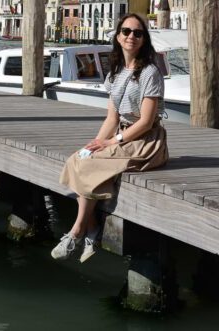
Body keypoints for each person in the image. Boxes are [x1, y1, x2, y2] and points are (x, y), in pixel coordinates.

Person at [51, 14, 168, 262]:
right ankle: (91, 227)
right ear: (118, 36)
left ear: (144, 39)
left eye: (138, 33)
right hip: (121, 135)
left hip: (145, 141)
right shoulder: (115, 73)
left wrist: (112, 142)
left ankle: (77, 230)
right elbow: (112, 119)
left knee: (91, 164)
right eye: (126, 31)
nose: (131, 37)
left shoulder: (150, 73)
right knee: (80, 158)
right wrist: (95, 142)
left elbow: (146, 121)